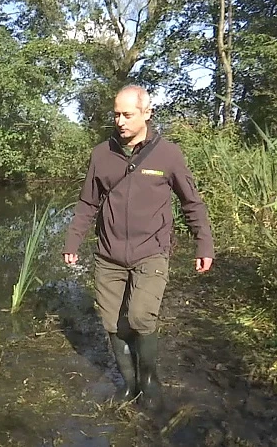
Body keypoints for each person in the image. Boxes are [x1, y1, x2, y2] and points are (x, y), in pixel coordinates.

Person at [62, 85, 215, 411]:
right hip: (108, 255)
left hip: (152, 251)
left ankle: (149, 382)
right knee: (113, 324)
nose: (120, 121)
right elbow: (87, 203)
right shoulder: (101, 155)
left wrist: (204, 244)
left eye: (127, 114)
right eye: (116, 114)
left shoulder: (168, 155)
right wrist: (72, 240)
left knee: (141, 317)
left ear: (147, 113)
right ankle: (130, 385)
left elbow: (192, 203)